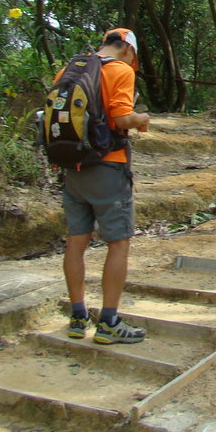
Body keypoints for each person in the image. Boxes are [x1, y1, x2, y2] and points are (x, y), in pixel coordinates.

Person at [62, 28, 151, 345]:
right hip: (108, 165)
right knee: (118, 243)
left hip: (73, 167)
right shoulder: (120, 70)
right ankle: (109, 322)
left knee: (76, 241)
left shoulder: (71, 68)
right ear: (128, 49)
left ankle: (77, 317)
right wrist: (141, 118)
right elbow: (121, 119)